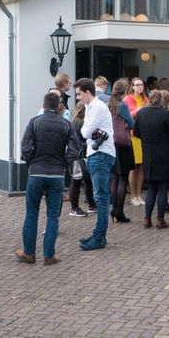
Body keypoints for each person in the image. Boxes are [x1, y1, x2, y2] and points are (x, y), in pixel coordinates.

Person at [16, 91, 80, 265]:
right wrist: (65, 163)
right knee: (53, 216)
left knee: (31, 214)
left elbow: (25, 147)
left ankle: (29, 253)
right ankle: (49, 255)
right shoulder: (66, 124)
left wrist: (31, 162)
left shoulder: (34, 122)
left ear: (44, 104)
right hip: (56, 174)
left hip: (36, 173)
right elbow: (75, 147)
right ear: (59, 105)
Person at [76, 77, 115, 251]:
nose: (77, 98)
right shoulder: (90, 107)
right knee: (100, 196)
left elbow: (85, 132)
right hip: (96, 154)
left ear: (87, 92)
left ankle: (100, 237)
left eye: (79, 94)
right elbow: (87, 131)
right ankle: (98, 234)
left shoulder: (97, 108)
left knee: (100, 197)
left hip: (100, 154)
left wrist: (87, 131)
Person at [134, 89, 169, 228]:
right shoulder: (166, 114)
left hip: (147, 153)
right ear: (161, 100)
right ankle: (160, 219)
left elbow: (136, 132)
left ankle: (147, 218)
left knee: (151, 188)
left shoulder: (141, 113)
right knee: (162, 188)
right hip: (164, 154)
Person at [107, 79, 135, 224]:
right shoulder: (122, 104)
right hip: (123, 143)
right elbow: (131, 122)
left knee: (114, 178)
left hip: (111, 144)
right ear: (125, 91)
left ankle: (114, 209)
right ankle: (119, 211)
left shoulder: (108, 103)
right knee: (123, 177)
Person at [67, 101, 96, 217]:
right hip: (79, 156)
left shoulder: (73, 122)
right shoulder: (82, 123)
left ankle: (91, 205)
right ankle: (75, 208)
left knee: (82, 181)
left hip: (74, 155)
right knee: (78, 182)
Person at [124, 77, 147, 206]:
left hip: (143, 135)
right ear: (132, 86)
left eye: (142, 85)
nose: (140, 87)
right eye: (137, 85)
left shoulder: (145, 99)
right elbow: (126, 115)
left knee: (141, 166)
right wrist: (136, 111)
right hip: (132, 136)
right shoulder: (127, 99)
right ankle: (133, 195)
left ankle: (139, 195)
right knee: (134, 167)